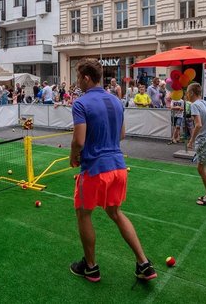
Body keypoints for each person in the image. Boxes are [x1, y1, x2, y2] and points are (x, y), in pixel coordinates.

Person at [69, 58, 157, 283]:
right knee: (115, 213)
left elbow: (79, 140)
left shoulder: (81, 103)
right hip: (118, 167)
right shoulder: (117, 101)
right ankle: (143, 263)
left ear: (86, 78)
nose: (78, 81)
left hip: (94, 170)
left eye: (79, 77)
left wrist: (73, 156)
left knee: (83, 213)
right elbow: (121, 135)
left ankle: (90, 267)